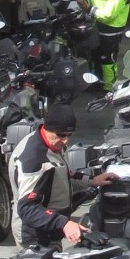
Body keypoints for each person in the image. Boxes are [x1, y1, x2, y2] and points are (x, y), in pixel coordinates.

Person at [9, 103, 84, 249]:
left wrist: (93, 180)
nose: (66, 140)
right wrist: (63, 223)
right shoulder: (34, 160)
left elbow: (63, 175)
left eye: (69, 135)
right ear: (47, 127)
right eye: (61, 135)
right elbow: (27, 208)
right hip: (35, 238)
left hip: (51, 231)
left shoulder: (52, 143)